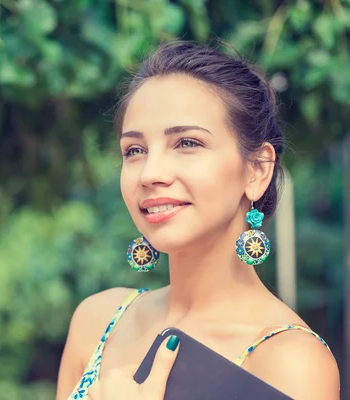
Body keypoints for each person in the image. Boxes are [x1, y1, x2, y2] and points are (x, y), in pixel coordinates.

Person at [55, 41, 340, 400]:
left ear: (257, 170)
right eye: (135, 150)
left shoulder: (289, 362)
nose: (150, 173)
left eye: (187, 143)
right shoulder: (98, 321)